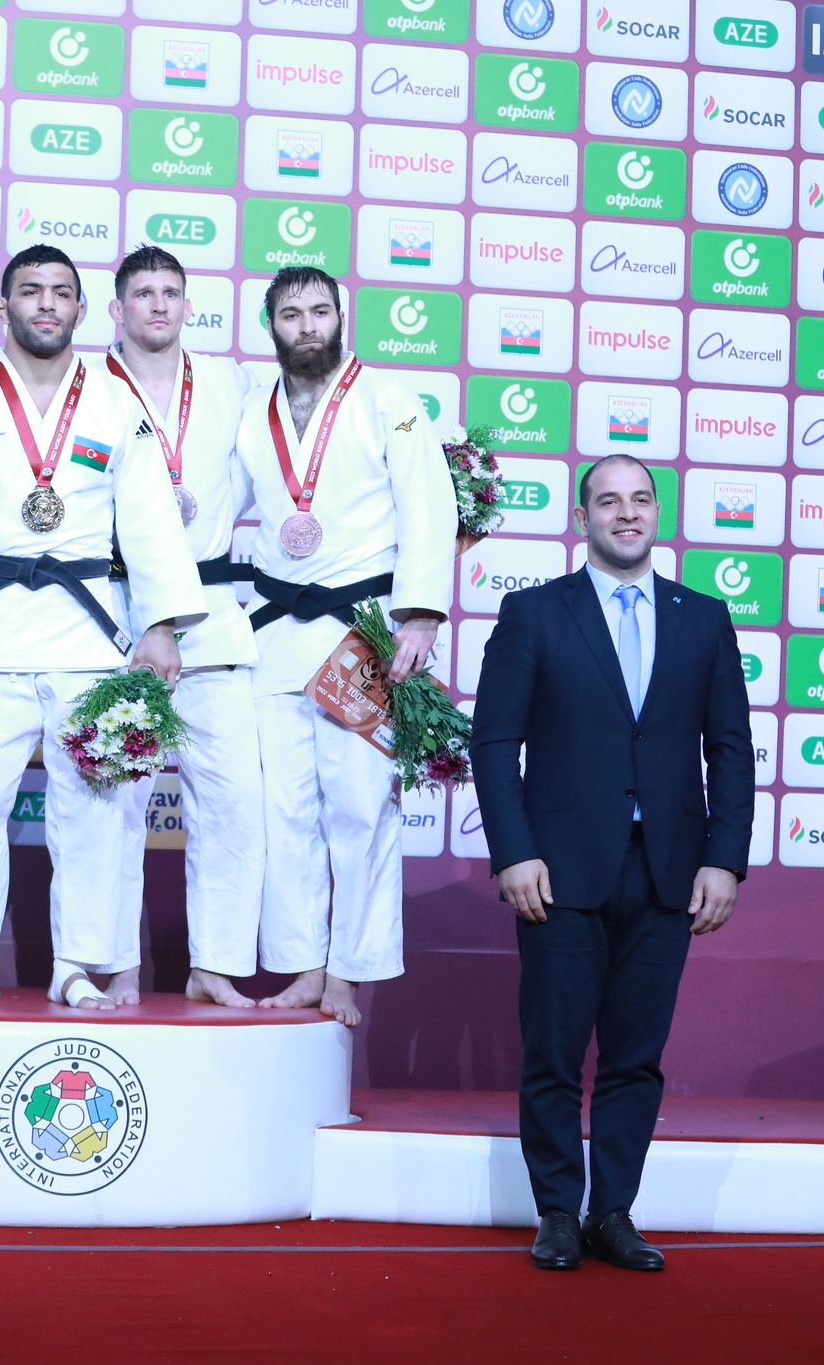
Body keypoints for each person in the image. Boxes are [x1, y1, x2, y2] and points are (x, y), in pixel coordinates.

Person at [0, 244, 206, 1010]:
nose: (47, 304)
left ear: (82, 310)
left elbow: (151, 521)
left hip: (90, 637)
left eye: (62, 292)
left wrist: (159, 623)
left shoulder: (116, 403)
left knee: (91, 814)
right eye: (31, 291)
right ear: (5, 307)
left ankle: (78, 965)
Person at [469, 453, 754, 1273]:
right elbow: (494, 744)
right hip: (556, 870)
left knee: (635, 1055)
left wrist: (723, 860)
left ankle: (613, 1212)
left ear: (656, 512)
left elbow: (730, 751)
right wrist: (513, 851)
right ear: (580, 517)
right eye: (607, 501)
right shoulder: (533, 614)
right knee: (554, 1051)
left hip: (668, 872)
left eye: (639, 500)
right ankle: (558, 1212)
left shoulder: (703, 617)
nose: (625, 513)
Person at [233, 266, 455, 1028]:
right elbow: (217, 503)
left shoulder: (388, 400)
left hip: (361, 632)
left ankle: (349, 972)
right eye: (291, 314)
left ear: (340, 317)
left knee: (360, 806)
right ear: (270, 324)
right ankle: (300, 962)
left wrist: (419, 616)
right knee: (281, 809)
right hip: (272, 631)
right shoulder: (251, 407)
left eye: (320, 311)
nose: (307, 326)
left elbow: (428, 500)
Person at [98, 245, 264, 1008]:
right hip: (119, 613)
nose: (158, 305)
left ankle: (215, 964)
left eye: (170, 292)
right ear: (117, 308)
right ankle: (114, 965)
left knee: (230, 801)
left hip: (214, 608)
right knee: (116, 800)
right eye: (143, 293)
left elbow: (297, 468)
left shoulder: (230, 382)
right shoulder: (86, 384)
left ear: (187, 305)